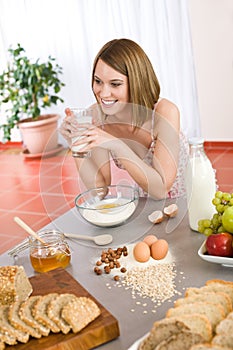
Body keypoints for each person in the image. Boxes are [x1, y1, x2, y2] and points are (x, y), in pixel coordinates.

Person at [60, 38, 189, 200]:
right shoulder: (96, 116)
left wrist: (116, 145)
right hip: (146, 199)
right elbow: (100, 190)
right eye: (98, 81)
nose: (104, 93)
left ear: (137, 82)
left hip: (188, 197)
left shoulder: (164, 112)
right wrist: (76, 145)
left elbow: (161, 189)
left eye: (115, 84)